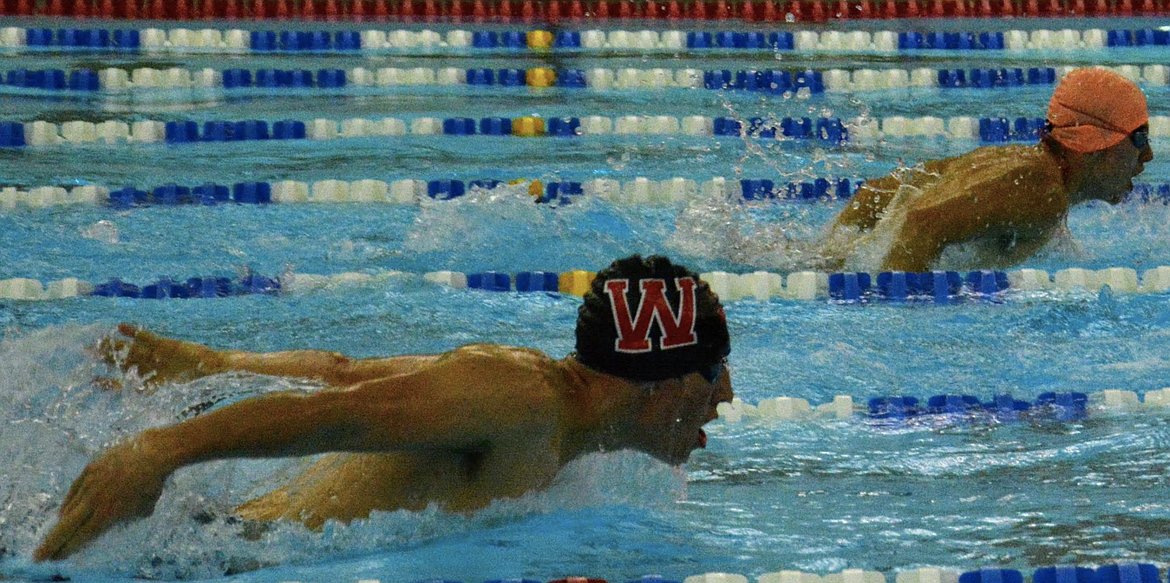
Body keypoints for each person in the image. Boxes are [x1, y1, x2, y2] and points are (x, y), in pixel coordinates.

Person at [33, 255, 733, 562]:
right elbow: (341, 416)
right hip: (220, 560)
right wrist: (161, 450)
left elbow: (347, 376)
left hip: (222, 545)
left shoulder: (545, 406)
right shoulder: (521, 399)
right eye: (714, 371)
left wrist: (217, 366)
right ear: (664, 380)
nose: (726, 395)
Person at [827, 66, 1153, 272]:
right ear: (1098, 142)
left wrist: (831, 252)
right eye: (1139, 138)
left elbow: (879, 190)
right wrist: (896, 312)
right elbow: (923, 223)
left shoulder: (1013, 160)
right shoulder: (1041, 193)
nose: (1148, 155)